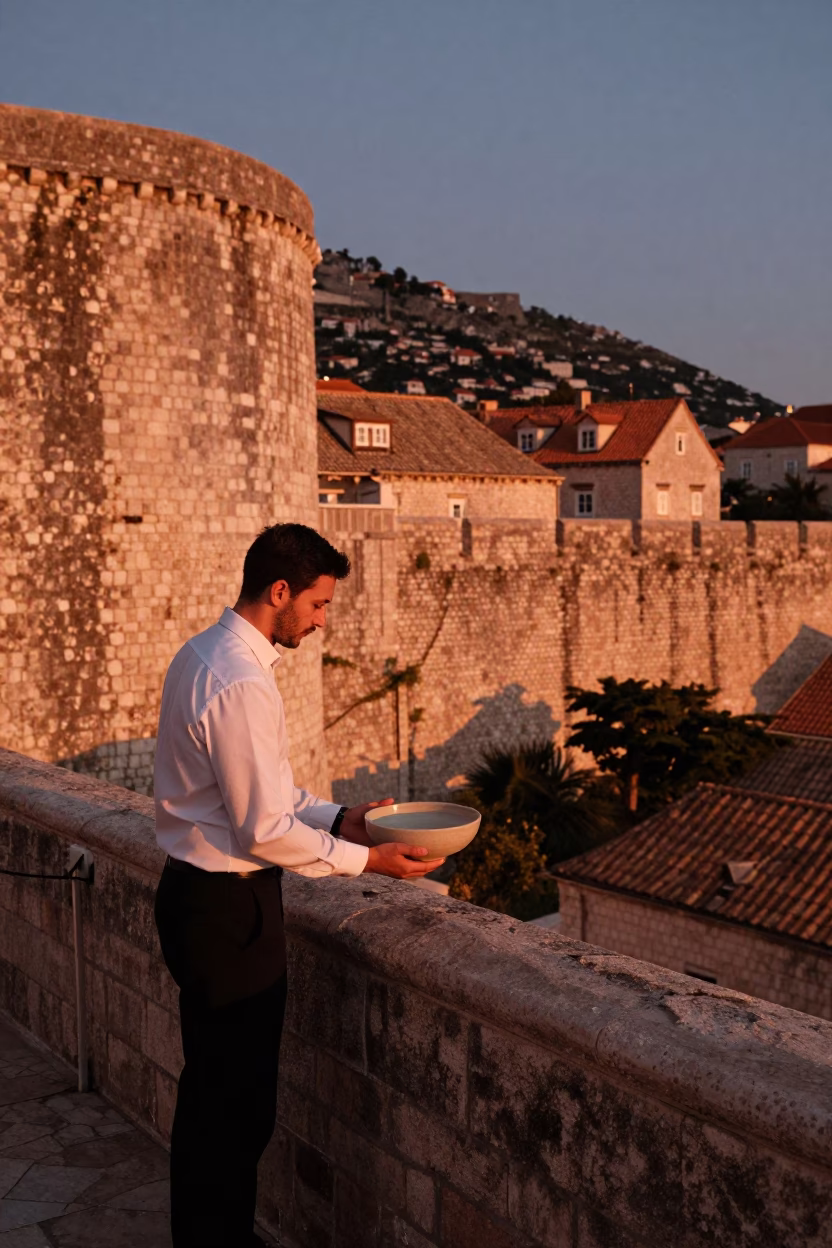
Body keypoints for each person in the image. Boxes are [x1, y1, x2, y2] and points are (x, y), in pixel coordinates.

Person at [153, 523, 443, 1248]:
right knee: (236, 1106)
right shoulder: (241, 680)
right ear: (279, 592)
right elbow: (262, 830)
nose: (322, 622)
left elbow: (273, 798)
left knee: (215, 1096)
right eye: (317, 605)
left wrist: (347, 819)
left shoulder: (203, 655)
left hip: (200, 898)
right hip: (228, 910)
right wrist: (370, 864)